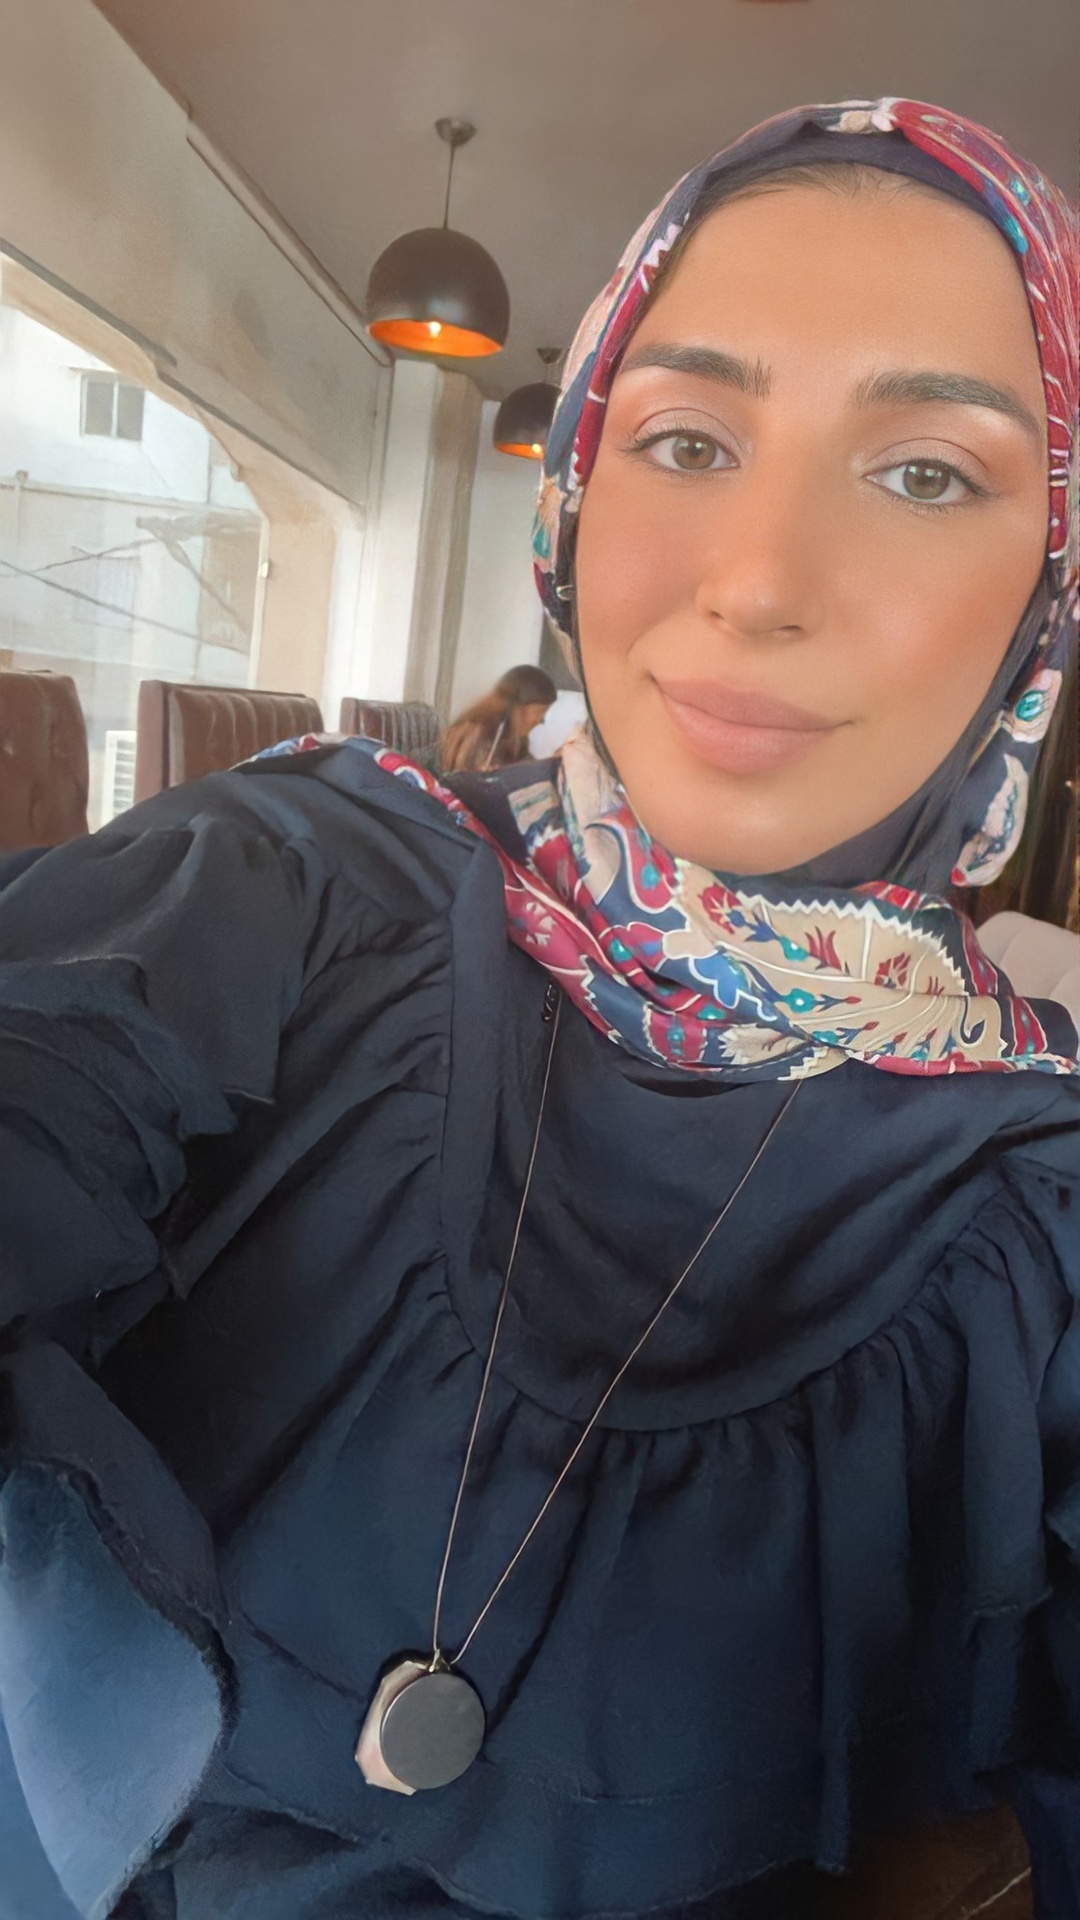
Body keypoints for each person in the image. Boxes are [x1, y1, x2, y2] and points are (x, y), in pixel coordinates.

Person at [0, 98, 1077, 1920]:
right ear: (576, 493)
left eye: (924, 475)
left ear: (1048, 583)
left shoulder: (1041, 1213)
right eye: (686, 441)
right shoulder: (293, 884)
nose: (758, 582)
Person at [439, 664, 556, 772]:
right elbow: (490, 779)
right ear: (517, 708)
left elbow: (525, 771)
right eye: (538, 712)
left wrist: (553, 764)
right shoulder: (483, 734)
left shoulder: (515, 739)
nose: (541, 720)